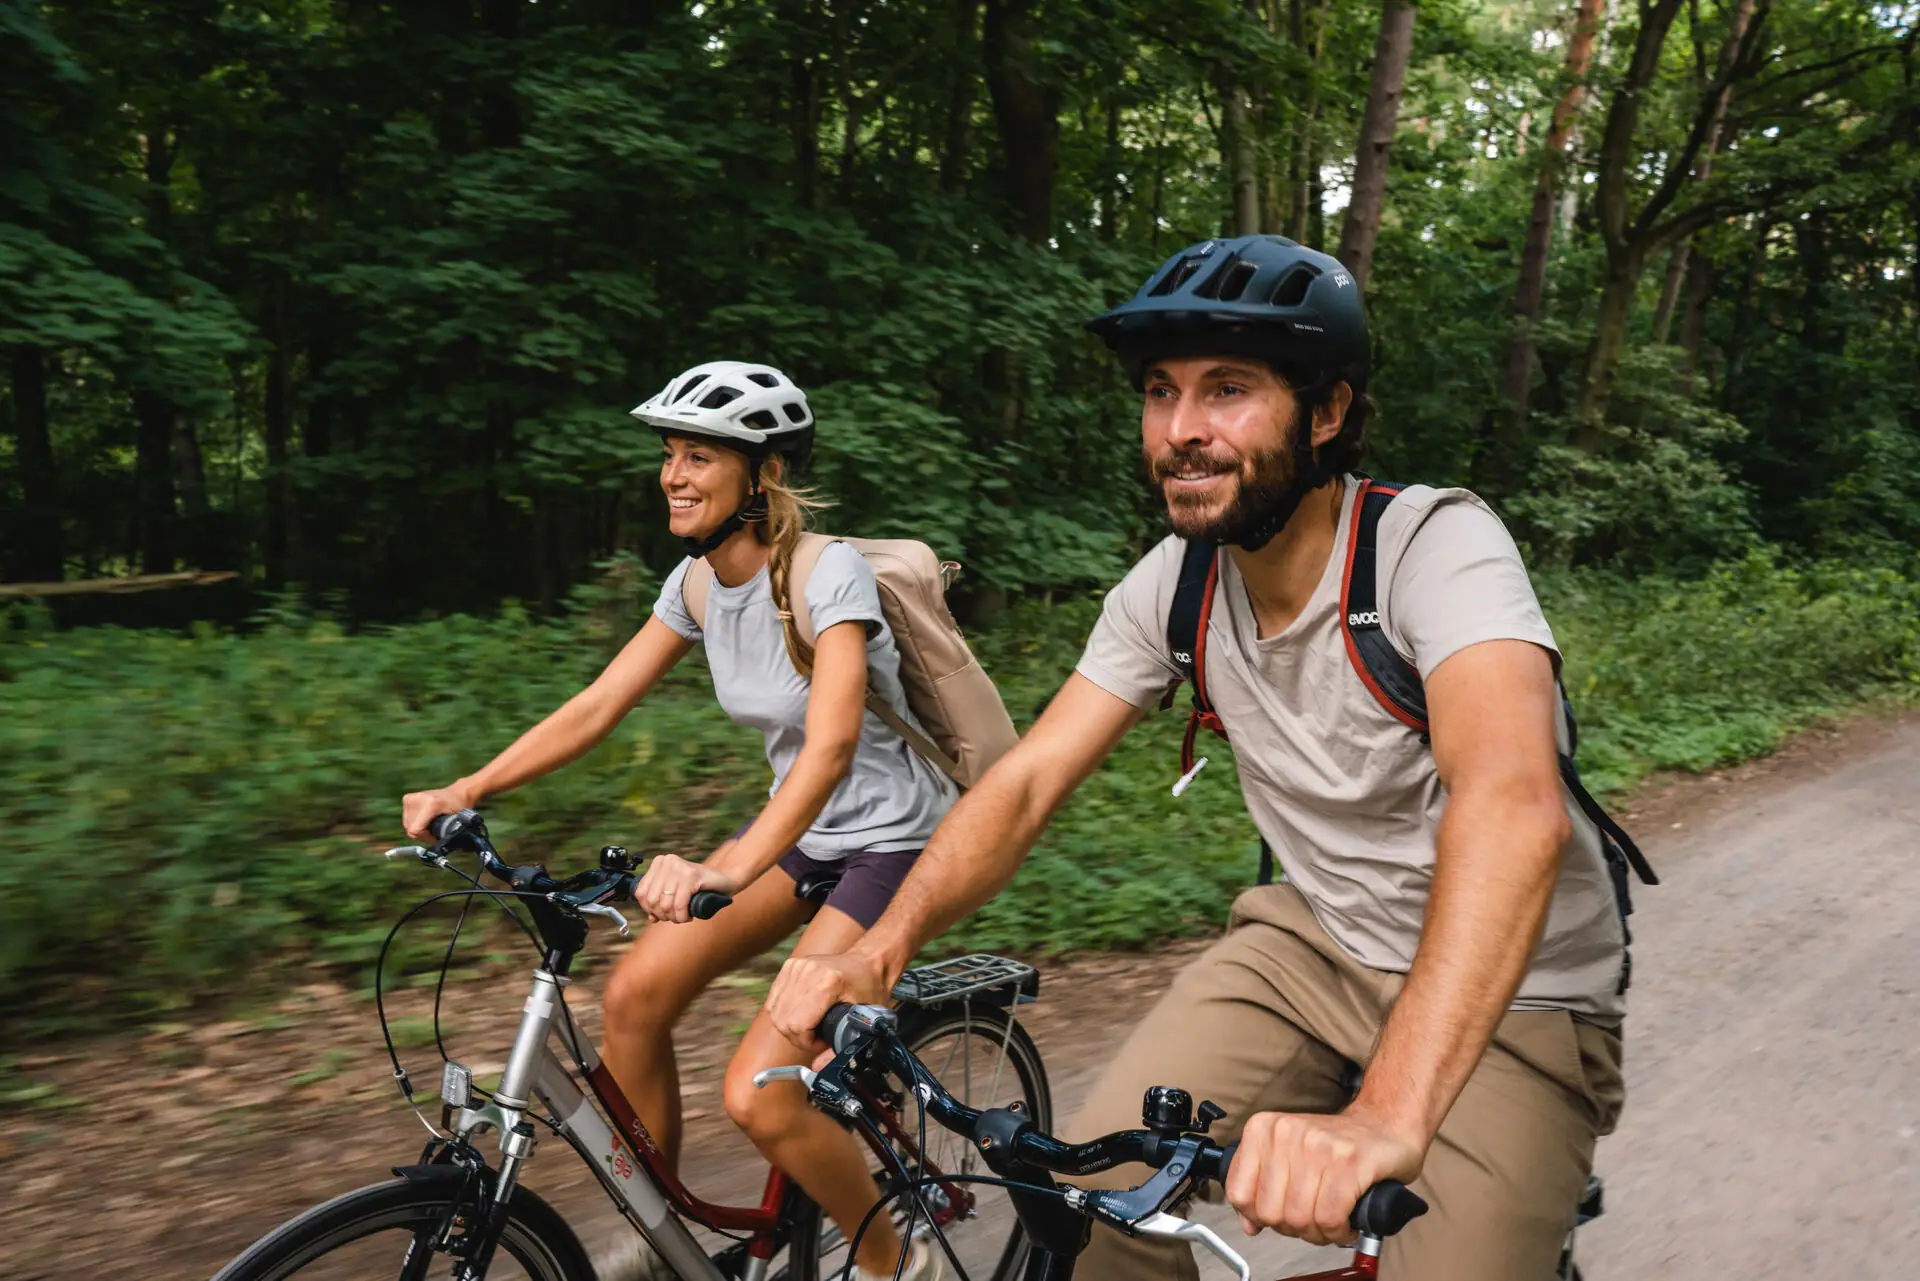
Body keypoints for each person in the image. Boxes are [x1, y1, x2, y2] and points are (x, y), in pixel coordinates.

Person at [764, 236, 1628, 1281]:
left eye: (1227, 390)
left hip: (1520, 985)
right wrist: (878, 949)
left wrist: (1387, 1117)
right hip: (1315, 945)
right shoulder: (1176, 584)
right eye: (1161, 393)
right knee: (1090, 1215)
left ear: (1326, 412)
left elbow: (1514, 805)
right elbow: (1028, 780)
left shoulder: (1431, 547)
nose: (1181, 432)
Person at [402, 360, 953, 1281]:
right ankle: (666, 1242)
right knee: (633, 996)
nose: (674, 474)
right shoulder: (696, 582)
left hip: (895, 844)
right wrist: (470, 786)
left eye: (700, 456)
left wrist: (726, 869)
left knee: (763, 1095)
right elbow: (598, 704)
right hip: (807, 837)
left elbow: (830, 744)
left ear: (764, 473)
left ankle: (901, 1263)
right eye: (669, 454)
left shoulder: (826, 573)